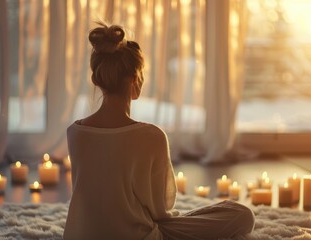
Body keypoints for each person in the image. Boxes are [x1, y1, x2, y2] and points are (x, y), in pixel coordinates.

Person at [64, 23, 255, 240]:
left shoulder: (75, 133)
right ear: (136, 79)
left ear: (96, 80)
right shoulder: (151, 136)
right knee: (241, 215)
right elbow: (161, 211)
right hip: (139, 236)